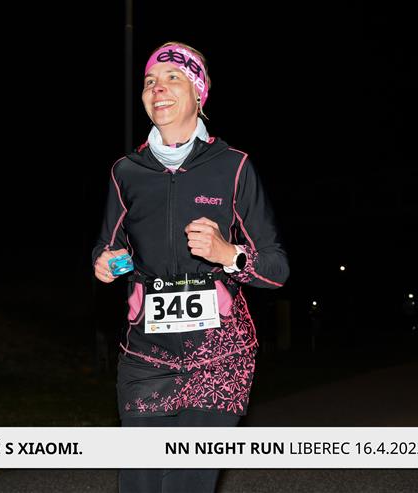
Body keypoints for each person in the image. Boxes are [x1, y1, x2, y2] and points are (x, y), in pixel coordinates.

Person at [92, 41, 290, 493]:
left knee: (189, 482)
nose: (157, 89)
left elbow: (276, 268)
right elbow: (108, 245)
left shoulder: (233, 166)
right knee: (140, 481)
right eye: (149, 81)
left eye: (172, 78)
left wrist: (229, 254)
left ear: (199, 92)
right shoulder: (126, 171)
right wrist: (105, 262)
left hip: (220, 353)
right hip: (146, 354)